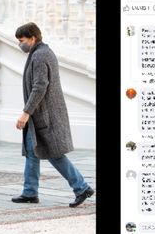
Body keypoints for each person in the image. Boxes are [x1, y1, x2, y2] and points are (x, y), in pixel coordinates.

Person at [12, 22, 94, 207]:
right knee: (33, 152)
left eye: (22, 40)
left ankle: (82, 187)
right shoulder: (40, 52)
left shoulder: (40, 55)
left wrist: (26, 113)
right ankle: (30, 192)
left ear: (33, 38)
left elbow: (40, 87)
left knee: (54, 154)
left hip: (45, 116)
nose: (20, 44)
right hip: (41, 115)